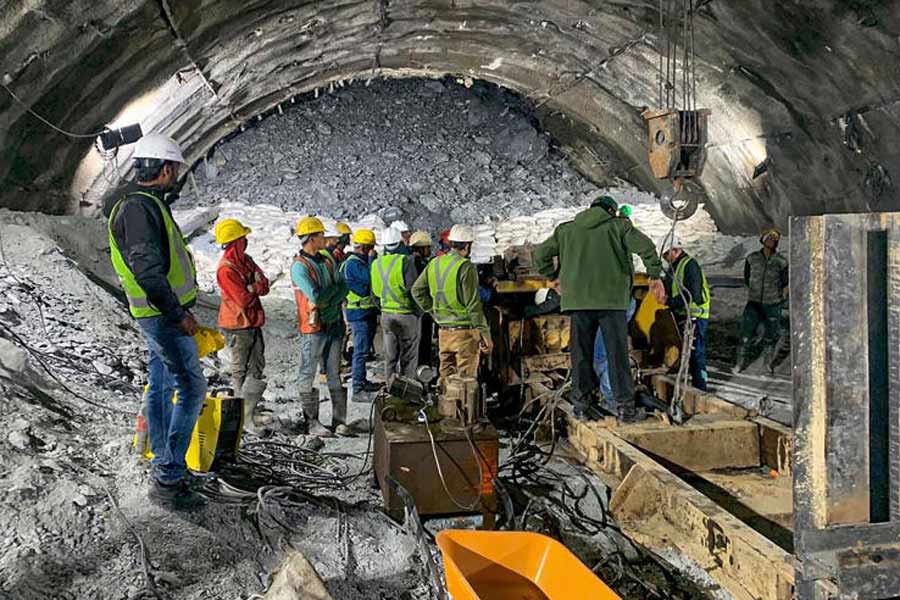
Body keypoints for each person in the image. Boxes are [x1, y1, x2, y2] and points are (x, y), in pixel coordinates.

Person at [105, 133, 206, 510]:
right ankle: (168, 475)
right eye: (175, 169)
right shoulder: (138, 209)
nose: (176, 176)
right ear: (164, 169)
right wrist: (178, 314)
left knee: (161, 387)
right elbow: (148, 272)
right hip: (162, 317)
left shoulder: (144, 204)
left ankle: (163, 460)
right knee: (192, 389)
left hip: (156, 315)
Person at [534, 195, 665, 423]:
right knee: (617, 355)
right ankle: (625, 408)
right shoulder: (619, 227)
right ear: (612, 211)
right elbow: (646, 247)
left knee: (581, 354)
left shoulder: (566, 230)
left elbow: (541, 254)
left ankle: (582, 406)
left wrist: (552, 276)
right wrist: (654, 275)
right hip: (611, 302)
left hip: (578, 303)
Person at [412, 224, 492, 387]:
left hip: (444, 332)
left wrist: (433, 311)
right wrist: (485, 334)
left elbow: (417, 290)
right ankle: (463, 412)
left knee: (446, 380)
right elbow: (473, 305)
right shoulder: (465, 266)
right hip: (464, 334)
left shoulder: (435, 263)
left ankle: (446, 411)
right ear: (468, 246)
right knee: (465, 384)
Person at [291, 217, 350, 436]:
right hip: (314, 328)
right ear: (311, 239)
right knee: (308, 373)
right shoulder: (299, 267)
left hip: (333, 323)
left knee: (334, 373)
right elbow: (315, 296)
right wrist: (331, 295)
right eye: (320, 235)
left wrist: (330, 298)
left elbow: (343, 287)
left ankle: (339, 420)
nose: (324, 238)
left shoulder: (326, 259)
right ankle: (312, 422)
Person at [214, 218, 271, 433]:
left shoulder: (245, 260)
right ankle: (239, 418)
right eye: (243, 237)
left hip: (252, 322)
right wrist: (253, 287)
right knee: (240, 369)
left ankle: (248, 413)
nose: (246, 241)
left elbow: (264, 285)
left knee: (257, 366)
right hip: (237, 325)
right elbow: (243, 300)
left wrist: (252, 286)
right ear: (235, 241)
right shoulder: (226, 269)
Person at [734, 228, 789, 374]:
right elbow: (747, 278)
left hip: (773, 303)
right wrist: (754, 290)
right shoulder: (752, 258)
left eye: (775, 239)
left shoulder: (781, 262)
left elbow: (786, 282)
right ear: (763, 240)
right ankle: (739, 364)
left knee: (770, 337)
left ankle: (767, 365)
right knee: (745, 335)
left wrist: (781, 298)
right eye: (770, 238)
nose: (773, 241)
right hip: (754, 303)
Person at [372, 227, 421, 381]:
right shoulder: (405, 262)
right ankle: (408, 391)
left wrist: (383, 309)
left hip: (386, 315)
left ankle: (390, 389)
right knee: (409, 357)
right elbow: (413, 289)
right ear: (400, 242)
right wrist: (419, 312)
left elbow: (373, 294)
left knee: (390, 357)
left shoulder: (376, 264)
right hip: (406, 314)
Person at [662, 236, 710, 391]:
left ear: (675, 251)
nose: (665, 258)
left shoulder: (690, 265)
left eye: (666, 255)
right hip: (684, 315)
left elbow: (691, 294)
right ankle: (690, 386)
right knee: (685, 353)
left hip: (696, 316)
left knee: (696, 354)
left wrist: (670, 302)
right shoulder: (674, 267)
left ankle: (701, 388)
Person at [340, 228, 382, 398]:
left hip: (366, 312)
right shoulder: (353, 264)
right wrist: (372, 260)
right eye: (371, 248)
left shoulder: (357, 262)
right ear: (365, 248)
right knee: (360, 351)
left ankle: (362, 381)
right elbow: (371, 278)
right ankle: (358, 388)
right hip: (359, 314)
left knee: (364, 351)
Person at [409, 231, 434, 367]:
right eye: (427, 247)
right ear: (421, 248)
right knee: (423, 343)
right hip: (422, 311)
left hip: (417, 310)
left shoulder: (410, 261)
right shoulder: (418, 264)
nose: (429, 250)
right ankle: (423, 372)